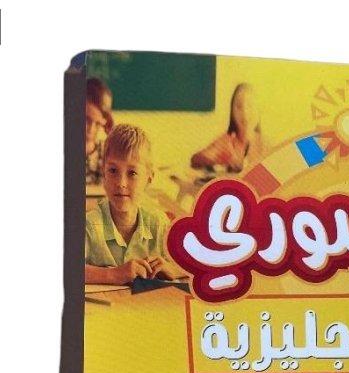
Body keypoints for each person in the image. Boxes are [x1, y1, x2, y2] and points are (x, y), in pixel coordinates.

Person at [84, 124, 185, 285]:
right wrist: (113, 275)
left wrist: (173, 269)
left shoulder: (159, 224)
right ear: (103, 173)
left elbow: (199, 264)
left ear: (149, 178)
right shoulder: (89, 225)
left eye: (132, 173)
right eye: (113, 171)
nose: (121, 183)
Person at [190, 83, 265, 173]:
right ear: (232, 113)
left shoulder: (266, 144)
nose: (244, 112)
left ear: (259, 110)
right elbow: (196, 159)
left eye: (250, 105)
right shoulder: (226, 142)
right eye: (239, 107)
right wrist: (223, 161)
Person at [85, 78, 113, 185]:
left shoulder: (106, 154)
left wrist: (112, 133)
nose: (91, 129)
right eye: (86, 120)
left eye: (97, 124)